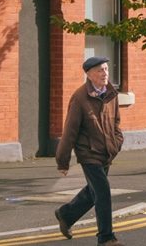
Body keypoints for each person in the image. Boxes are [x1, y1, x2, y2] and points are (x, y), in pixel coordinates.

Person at [55, 56, 125, 246]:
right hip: (89, 154)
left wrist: (117, 142)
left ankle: (66, 214)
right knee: (103, 193)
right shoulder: (80, 98)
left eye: (106, 69)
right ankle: (106, 238)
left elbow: (116, 122)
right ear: (89, 74)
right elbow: (70, 131)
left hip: (107, 152)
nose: (105, 74)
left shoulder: (112, 94)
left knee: (92, 192)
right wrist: (63, 160)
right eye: (100, 70)